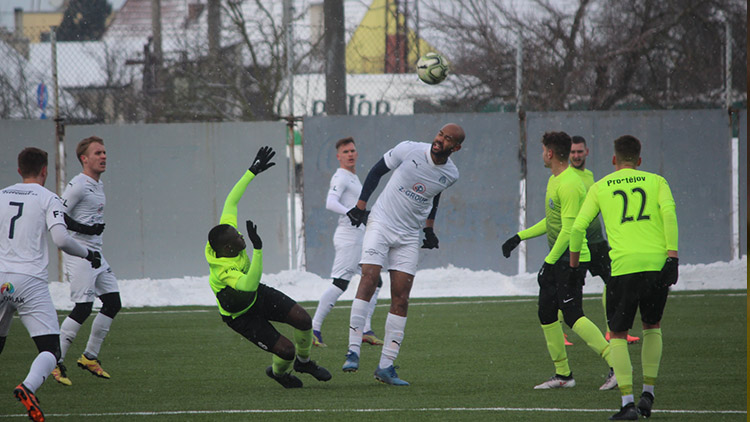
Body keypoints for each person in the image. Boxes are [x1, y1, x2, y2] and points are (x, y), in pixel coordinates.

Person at [341, 123, 465, 386]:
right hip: (381, 222)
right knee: (369, 278)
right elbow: (376, 171)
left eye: (447, 139)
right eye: (440, 134)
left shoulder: (451, 174)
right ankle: (353, 350)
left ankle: (386, 366)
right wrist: (360, 206)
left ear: (456, 147)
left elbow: (435, 195)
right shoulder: (408, 149)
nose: (439, 139)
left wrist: (429, 229)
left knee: (401, 297)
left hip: (409, 235)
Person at [569, 135, 678, 420]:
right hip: (656, 265)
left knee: (617, 334)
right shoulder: (656, 181)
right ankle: (648, 394)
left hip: (623, 268)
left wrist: (573, 263)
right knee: (652, 325)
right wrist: (673, 255)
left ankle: (627, 403)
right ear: (639, 161)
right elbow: (669, 214)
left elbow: (579, 227)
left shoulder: (600, 186)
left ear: (614, 160)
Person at [206, 146, 331, 389]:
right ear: (230, 250)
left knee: (304, 320)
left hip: (256, 295)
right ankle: (279, 374)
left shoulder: (224, 237)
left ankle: (304, 363)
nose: (242, 236)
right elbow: (248, 284)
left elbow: (231, 200)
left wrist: (251, 172)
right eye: (239, 238)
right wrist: (258, 248)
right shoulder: (224, 269)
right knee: (286, 351)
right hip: (240, 315)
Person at [501, 131, 615, 390]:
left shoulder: (570, 183)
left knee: (573, 315)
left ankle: (616, 365)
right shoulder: (555, 180)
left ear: (550, 153)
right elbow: (553, 221)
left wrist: (549, 263)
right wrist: (519, 237)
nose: (542, 154)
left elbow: (569, 229)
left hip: (573, 259)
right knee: (547, 312)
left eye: (543, 150)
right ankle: (563, 375)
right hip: (558, 259)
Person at [1, 147, 101, 422]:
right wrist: (87, 253)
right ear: (45, 170)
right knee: (50, 350)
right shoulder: (48, 197)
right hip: (29, 281)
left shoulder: (1, 195)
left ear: (19, 170)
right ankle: (28, 387)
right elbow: (60, 239)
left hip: (0, 277)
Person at [52, 136, 121, 386]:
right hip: (80, 253)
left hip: (97, 254)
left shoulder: (97, 184)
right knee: (83, 307)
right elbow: (58, 213)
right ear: (84, 159)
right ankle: (54, 362)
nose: (103, 157)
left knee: (113, 302)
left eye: (104, 152)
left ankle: (89, 357)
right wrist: (87, 229)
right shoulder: (79, 185)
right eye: (97, 153)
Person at [311, 137, 383, 348]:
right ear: (338, 156)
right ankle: (313, 328)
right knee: (340, 283)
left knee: (375, 281)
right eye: (345, 152)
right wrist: (349, 212)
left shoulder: (353, 177)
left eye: (352, 150)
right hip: (348, 238)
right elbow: (330, 202)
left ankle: (365, 330)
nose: (350, 154)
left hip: (359, 237)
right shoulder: (341, 177)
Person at [570, 136, 640, 347]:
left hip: (597, 241)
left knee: (613, 281)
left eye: (579, 152)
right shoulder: (568, 178)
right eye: (572, 152)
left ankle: (613, 330)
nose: (576, 156)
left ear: (587, 152)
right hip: (579, 242)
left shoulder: (589, 176)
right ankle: (558, 334)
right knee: (569, 289)